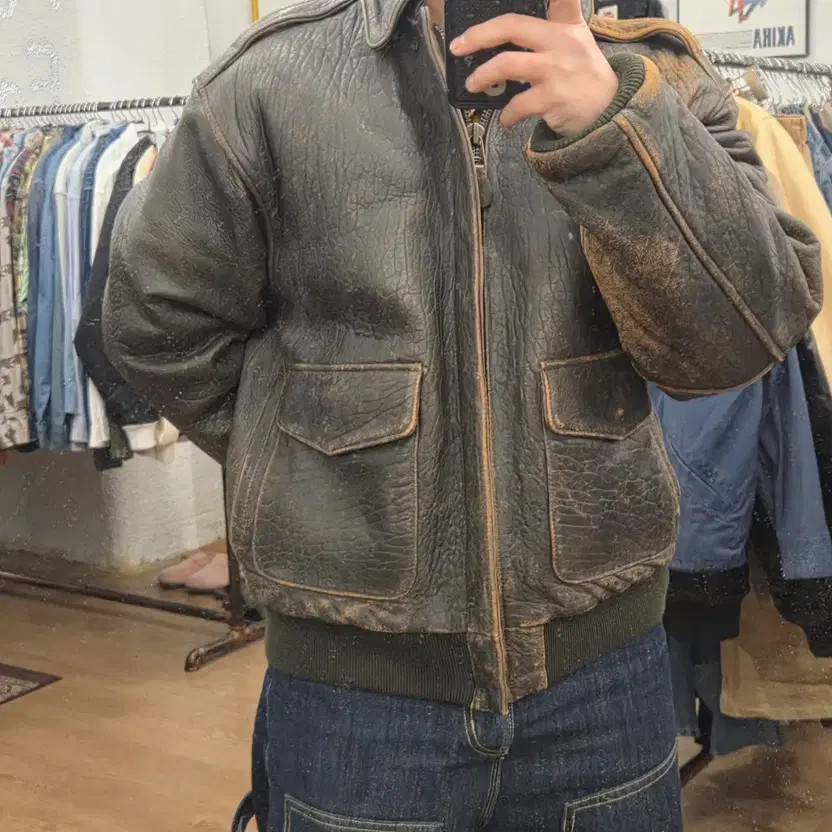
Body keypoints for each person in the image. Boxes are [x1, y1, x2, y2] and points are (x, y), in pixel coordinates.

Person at [103, 0, 821, 828]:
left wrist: (618, 124)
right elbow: (157, 318)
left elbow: (746, 334)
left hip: (604, 680)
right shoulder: (269, 83)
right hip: (353, 690)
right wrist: (307, 458)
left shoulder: (660, 78)